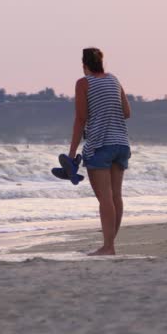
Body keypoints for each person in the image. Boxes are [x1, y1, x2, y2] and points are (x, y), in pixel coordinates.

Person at [67, 47, 132, 255]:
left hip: (99, 145)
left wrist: (71, 154)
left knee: (105, 198)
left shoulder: (83, 83)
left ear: (84, 65)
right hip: (121, 143)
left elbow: (80, 118)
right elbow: (127, 112)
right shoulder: (114, 80)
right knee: (116, 197)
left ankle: (108, 247)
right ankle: (109, 244)